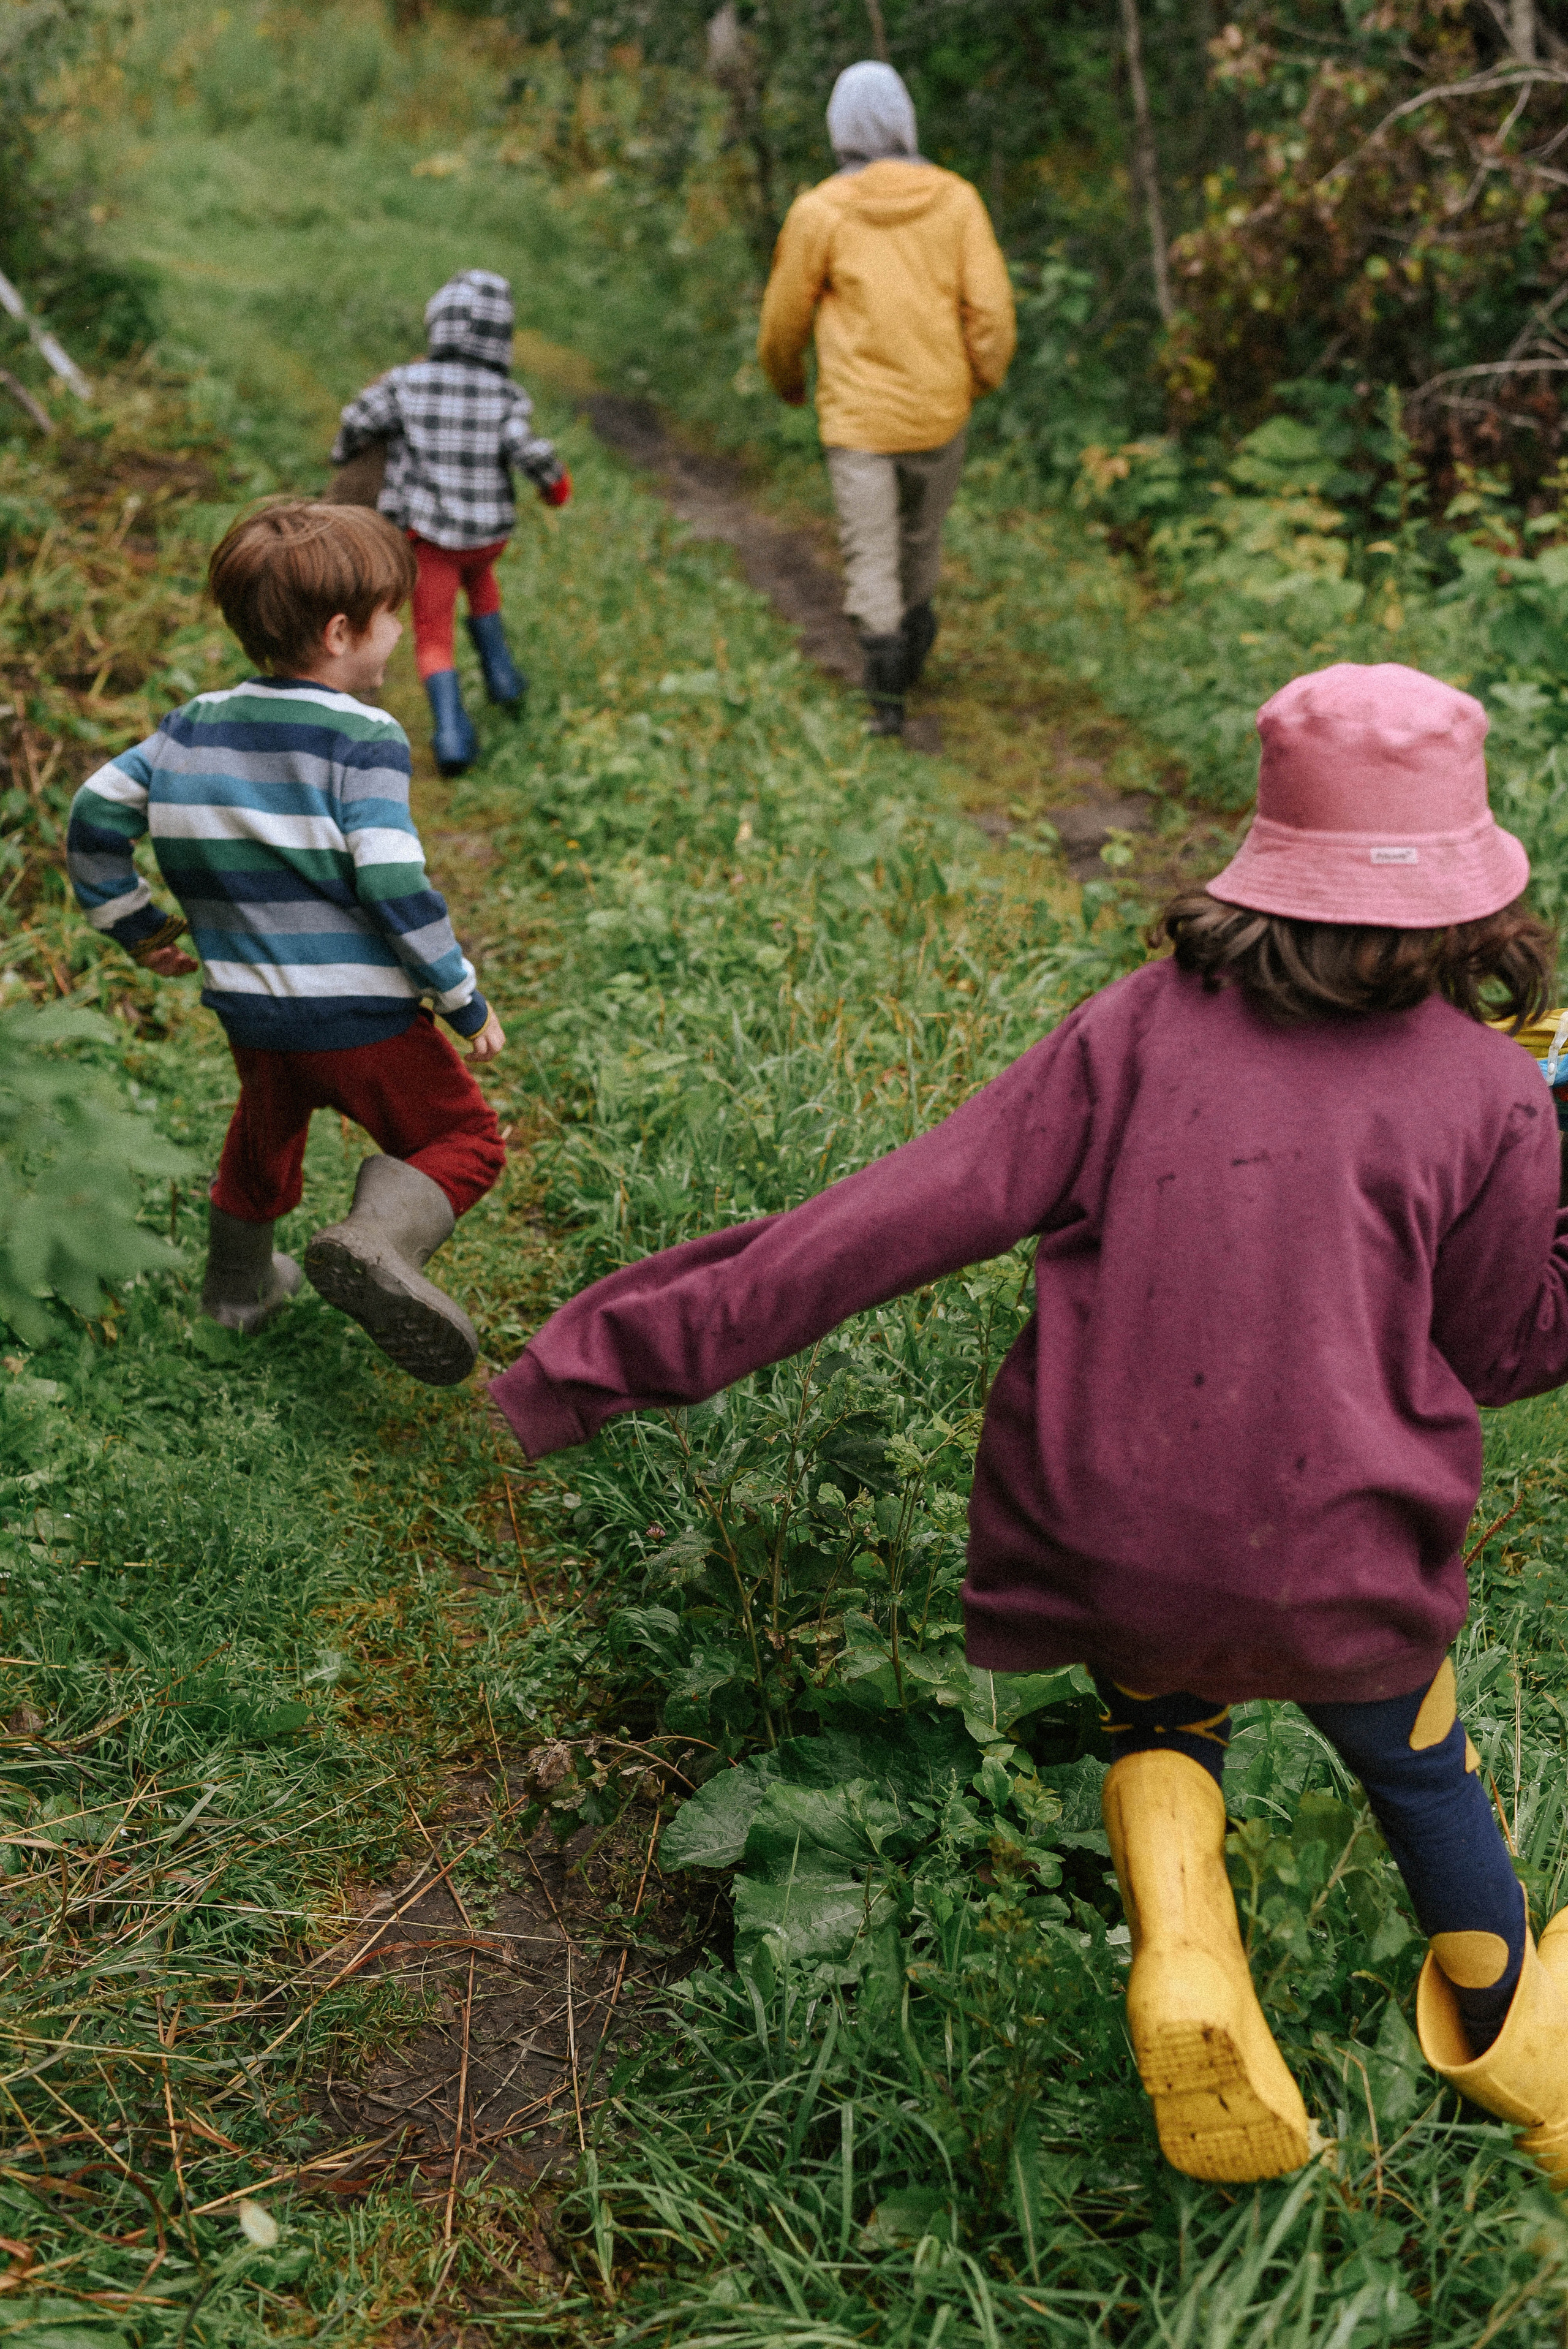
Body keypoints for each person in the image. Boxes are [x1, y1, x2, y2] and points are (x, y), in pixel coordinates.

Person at [489, 662, 1568, 2188]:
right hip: (1341, 1568)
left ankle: (1184, 1953)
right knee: (1415, 1772)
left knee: (1161, 1693)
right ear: (1468, 890)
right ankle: (1527, 2060)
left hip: (1108, 1529)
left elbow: (880, 1221)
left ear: (1268, 854)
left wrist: (585, 1362)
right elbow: (1502, 1345)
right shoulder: (1490, 1091)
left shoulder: (1130, 1029)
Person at [66, 501, 507, 1388]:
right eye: (393, 618)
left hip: (252, 1016)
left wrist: (137, 925)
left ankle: (238, 1292)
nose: (396, 636)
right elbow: (390, 880)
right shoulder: (364, 737)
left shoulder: (191, 723)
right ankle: (378, 1240)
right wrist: (460, 995)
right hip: (364, 1019)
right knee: (465, 1140)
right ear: (342, 631)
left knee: (263, 1139)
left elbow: (92, 815)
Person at [757, 61, 1015, 738]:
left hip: (859, 419)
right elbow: (989, 311)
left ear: (838, 127)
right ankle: (912, 644)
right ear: (905, 120)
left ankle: (884, 700)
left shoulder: (820, 212)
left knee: (869, 551)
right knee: (919, 538)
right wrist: (977, 378)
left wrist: (786, 380)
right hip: (939, 409)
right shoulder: (956, 201)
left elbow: (783, 319)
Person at [331, 268, 571, 777]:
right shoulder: (503, 394)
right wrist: (554, 485)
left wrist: (344, 451)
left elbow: (358, 419)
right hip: (487, 538)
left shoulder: (406, 384)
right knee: (483, 587)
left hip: (431, 538)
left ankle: (452, 733)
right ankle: (503, 677)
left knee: (433, 632)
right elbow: (526, 449)